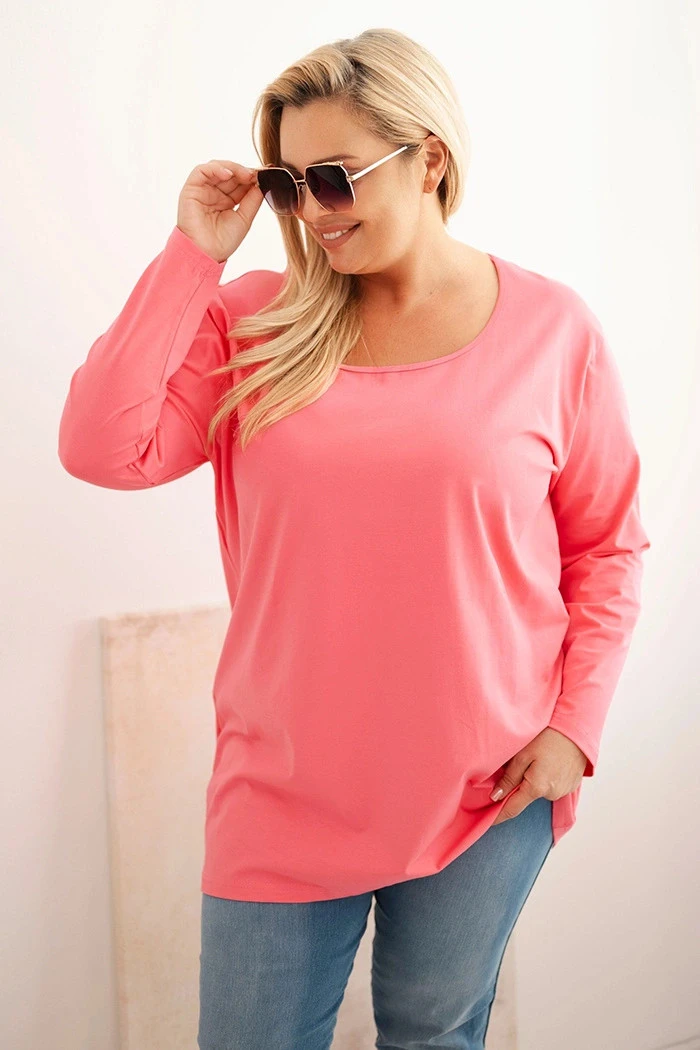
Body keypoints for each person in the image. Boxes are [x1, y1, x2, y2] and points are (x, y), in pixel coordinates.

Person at [57, 26, 651, 1050]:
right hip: (281, 789)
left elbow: (606, 546)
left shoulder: (555, 331)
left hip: (484, 787)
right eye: (290, 186)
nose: (314, 211)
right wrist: (194, 254)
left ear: (429, 159)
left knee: (433, 1036)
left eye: (334, 177)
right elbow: (102, 449)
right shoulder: (256, 322)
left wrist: (574, 728)